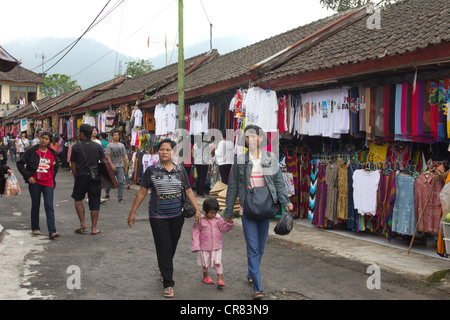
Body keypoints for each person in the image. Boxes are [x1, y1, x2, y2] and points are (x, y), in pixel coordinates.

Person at [223, 124, 293, 300]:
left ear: (261, 138)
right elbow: (233, 186)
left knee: (260, 248)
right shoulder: (240, 160)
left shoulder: (271, 158)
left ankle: (250, 272)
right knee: (253, 248)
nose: (251, 139)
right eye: (248, 136)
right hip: (248, 209)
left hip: (266, 207)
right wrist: (228, 210)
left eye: (254, 136)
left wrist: (286, 202)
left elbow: (279, 183)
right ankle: (257, 287)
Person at [127, 139, 201, 298]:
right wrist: (132, 212)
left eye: (168, 150)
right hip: (157, 216)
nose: (164, 152)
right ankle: (168, 283)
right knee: (163, 247)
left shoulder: (180, 170)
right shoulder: (151, 171)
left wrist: (197, 210)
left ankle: (164, 268)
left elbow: (188, 191)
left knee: (172, 245)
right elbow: (141, 192)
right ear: (158, 152)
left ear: (173, 152)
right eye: (161, 150)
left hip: (177, 216)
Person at [16, 131, 60, 239]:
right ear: (39, 138)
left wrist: (52, 179)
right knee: (35, 205)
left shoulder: (53, 153)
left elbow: (55, 167)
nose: (43, 140)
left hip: (48, 182)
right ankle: (35, 227)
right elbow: (20, 163)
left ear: (49, 141)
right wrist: (28, 176)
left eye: (46, 139)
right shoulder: (32, 151)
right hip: (35, 182)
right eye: (42, 138)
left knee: (49, 206)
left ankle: (52, 231)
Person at [70, 124, 106, 235]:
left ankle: (83, 223)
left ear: (82, 133)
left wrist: (76, 177)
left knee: (78, 199)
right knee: (95, 202)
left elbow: (73, 165)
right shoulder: (97, 146)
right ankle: (94, 228)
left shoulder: (76, 147)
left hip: (81, 176)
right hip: (95, 177)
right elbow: (103, 162)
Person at [191, 197, 234, 287]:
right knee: (205, 263)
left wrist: (229, 224)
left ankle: (220, 279)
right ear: (204, 210)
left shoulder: (219, 219)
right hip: (204, 246)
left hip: (217, 246)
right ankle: (205, 277)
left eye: (215, 212)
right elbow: (195, 232)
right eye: (211, 213)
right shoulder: (200, 220)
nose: (213, 215)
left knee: (218, 262)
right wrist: (195, 245)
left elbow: (223, 228)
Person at [104, 129, 127, 203]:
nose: (117, 136)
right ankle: (107, 193)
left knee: (120, 181)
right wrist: (111, 165)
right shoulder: (109, 145)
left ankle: (120, 197)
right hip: (111, 166)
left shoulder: (122, 145)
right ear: (112, 136)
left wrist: (126, 166)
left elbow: (124, 156)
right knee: (109, 181)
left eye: (117, 135)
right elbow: (108, 156)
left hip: (120, 166)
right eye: (115, 135)